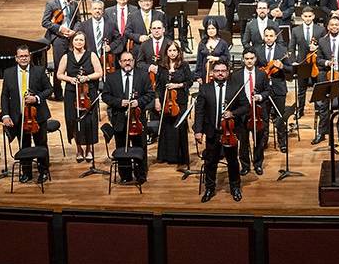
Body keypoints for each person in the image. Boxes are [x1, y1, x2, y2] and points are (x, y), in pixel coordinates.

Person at [0, 45, 53, 184]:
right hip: (19, 116)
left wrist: (37, 98)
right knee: (24, 145)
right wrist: (5, 115)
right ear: (16, 58)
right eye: (21, 56)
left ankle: (43, 171)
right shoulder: (8, 73)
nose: (24, 58)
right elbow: (5, 95)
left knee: (41, 144)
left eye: (26, 56)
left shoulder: (39, 71)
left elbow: (49, 89)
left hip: (37, 116)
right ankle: (26, 172)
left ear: (30, 56)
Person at [194, 60, 242, 202]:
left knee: (233, 162)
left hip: (230, 133)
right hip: (212, 132)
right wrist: (198, 130)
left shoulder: (236, 87)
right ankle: (209, 188)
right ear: (213, 73)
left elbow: (245, 106)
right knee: (210, 162)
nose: (220, 73)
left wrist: (233, 113)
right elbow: (200, 111)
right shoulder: (205, 88)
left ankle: (235, 188)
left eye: (223, 70)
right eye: (217, 71)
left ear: (228, 72)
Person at [57, 31, 104, 165]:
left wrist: (87, 77)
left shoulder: (92, 55)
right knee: (74, 120)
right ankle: (78, 149)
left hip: (88, 93)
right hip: (72, 93)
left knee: (88, 121)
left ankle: (89, 149)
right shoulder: (67, 57)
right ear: (72, 42)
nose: (79, 42)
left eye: (81, 40)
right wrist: (70, 79)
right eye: (76, 40)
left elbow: (99, 72)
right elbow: (59, 74)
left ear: (85, 42)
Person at [101, 49, 150, 179]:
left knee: (140, 146)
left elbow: (150, 94)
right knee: (122, 147)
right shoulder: (112, 78)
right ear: (120, 62)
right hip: (119, 119)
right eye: (124, 61)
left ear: (133, 61)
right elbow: (105, 96)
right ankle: (125, 175)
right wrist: (119, 102)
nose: (127, 63)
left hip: (138, 119)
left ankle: (141, 174)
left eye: (130, 60)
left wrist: (138, 102)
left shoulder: (143, 75)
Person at [313, 16, 339, 145]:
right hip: (326, 76)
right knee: (323, 106)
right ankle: (322, 132)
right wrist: (326, 62)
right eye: (331, 25)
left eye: (336, 25)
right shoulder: (322, 41)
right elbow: (318, 59)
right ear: (327, 27)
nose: (334, 27)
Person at [231, 49, 273, 177]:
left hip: (258, 112)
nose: (249, 61)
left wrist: (259, 97)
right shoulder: (235, 76)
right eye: (247, 58)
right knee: (243, 141)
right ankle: (245, 165)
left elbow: (268, 91)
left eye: (251, 58)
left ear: (255, 59)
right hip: (243, 113)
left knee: (259, 140)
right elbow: (232, 93)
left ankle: (258, 164)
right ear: (243, 59)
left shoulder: (262, 74)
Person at [253, 26, 293, 156]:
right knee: (264, 117)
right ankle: (263, 141)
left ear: (276, 37)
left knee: (280, 117)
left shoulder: (283, 50)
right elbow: (254, 67)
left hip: (279, 88)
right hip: (263, 89)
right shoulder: (257, 50)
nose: (269, 38)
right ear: (263, 37)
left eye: (271, 36)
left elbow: (291, 69)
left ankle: (282, 143)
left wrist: (282, 66)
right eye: (267, 36)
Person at [155, 40, 193, 171]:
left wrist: (177, 85)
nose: (172, 53)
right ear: (166, 52)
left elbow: (190, 81)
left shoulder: (184, 65)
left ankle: (181, 157)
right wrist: (157, 100)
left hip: (179, 101)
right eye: (170, 50)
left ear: (178, 52)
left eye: (174, 51)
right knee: (167, 127)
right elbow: (158, 85)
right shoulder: (162, 66)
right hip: (166, 101)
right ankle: (167, 156)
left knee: (179, 127)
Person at [40, 0, 79, 99]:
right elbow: (45, 22)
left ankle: (71, 91)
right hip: (58, 38)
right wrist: (60, 29)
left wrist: (74, 31)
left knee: (73, 65)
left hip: (71, 38)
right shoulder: (51, 3)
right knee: (59, 65)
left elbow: (78, 20)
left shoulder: (74, 3)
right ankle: (58, 93)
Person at [291, 7, 325, 120]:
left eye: (310, 16)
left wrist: (317, 47)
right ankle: (300, 110)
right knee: (301, 89)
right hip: (302, 63)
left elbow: (325, 46)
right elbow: (291, 48)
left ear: (314, 16)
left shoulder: (320, 30)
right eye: (305, 16)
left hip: (316, 63)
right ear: (302, 17)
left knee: (317, 87)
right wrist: (293, 61)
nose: (308, 18)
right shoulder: (296, 30)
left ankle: (318, 110)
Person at [76, 0, 118, 79]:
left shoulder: (111, 24)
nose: (97, 11)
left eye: (99, 9)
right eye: (95, 9)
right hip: (89, 60)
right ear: (91, 11)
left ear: (103, 11)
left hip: (106, 60)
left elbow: (118, 39)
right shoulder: (84, 25)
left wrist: (110, 47)